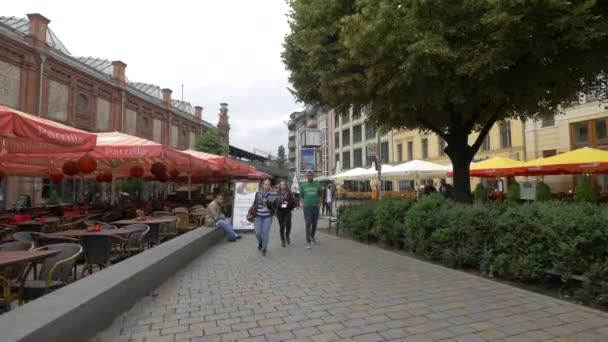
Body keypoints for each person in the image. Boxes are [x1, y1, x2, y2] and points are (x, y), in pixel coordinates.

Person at [253, 179, 278, 256]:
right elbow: (255, 203)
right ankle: (260, 242)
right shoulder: (258, 193)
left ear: (270, 185)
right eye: (265, 184)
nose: (267, 185)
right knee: (257, 233)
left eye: (268, 184)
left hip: (267, 216)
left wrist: (267, 201)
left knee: (265, 233)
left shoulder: (273, 194)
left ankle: (264, 248)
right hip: (258, 216)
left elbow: (274, 206)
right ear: (262, 185)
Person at [299, 170, 322, 249]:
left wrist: (319, 204)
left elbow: (320, 195)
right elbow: (301, 196)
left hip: (315, 206)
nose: (309, 177)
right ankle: (308, 239)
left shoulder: (318, 184)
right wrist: (303, 203)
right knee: (308, 222)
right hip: (307, 207)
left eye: (311, 175)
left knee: (315, 223)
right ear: (306, 176)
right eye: (308, 175)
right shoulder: (303, 185)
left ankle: (312, 236)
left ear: (313, 176)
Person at [277, 180, 296, 247]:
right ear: (280, 185)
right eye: (281, 184)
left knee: (288, 224)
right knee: (282, 226)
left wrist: (288, 204)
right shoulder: (277, 193)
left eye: (284, 184)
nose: (283, 186)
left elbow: (293, 202)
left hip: (287, 211)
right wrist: (279, 205)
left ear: (286, 185)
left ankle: (287, 235)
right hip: (279, 212)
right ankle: (283, 240)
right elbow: (275, 202)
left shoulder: (289, 193)